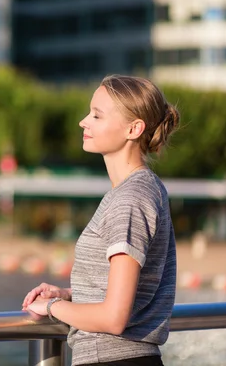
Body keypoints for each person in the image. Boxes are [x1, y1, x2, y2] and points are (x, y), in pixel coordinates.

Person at [22, 75, 180, 366]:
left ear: (134, 128)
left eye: (96, 115)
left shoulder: (130, 199)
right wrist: (71, 295)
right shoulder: (142, 189)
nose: (84, 121)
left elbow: (114, 317)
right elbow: (130, 293)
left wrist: (53, 306)